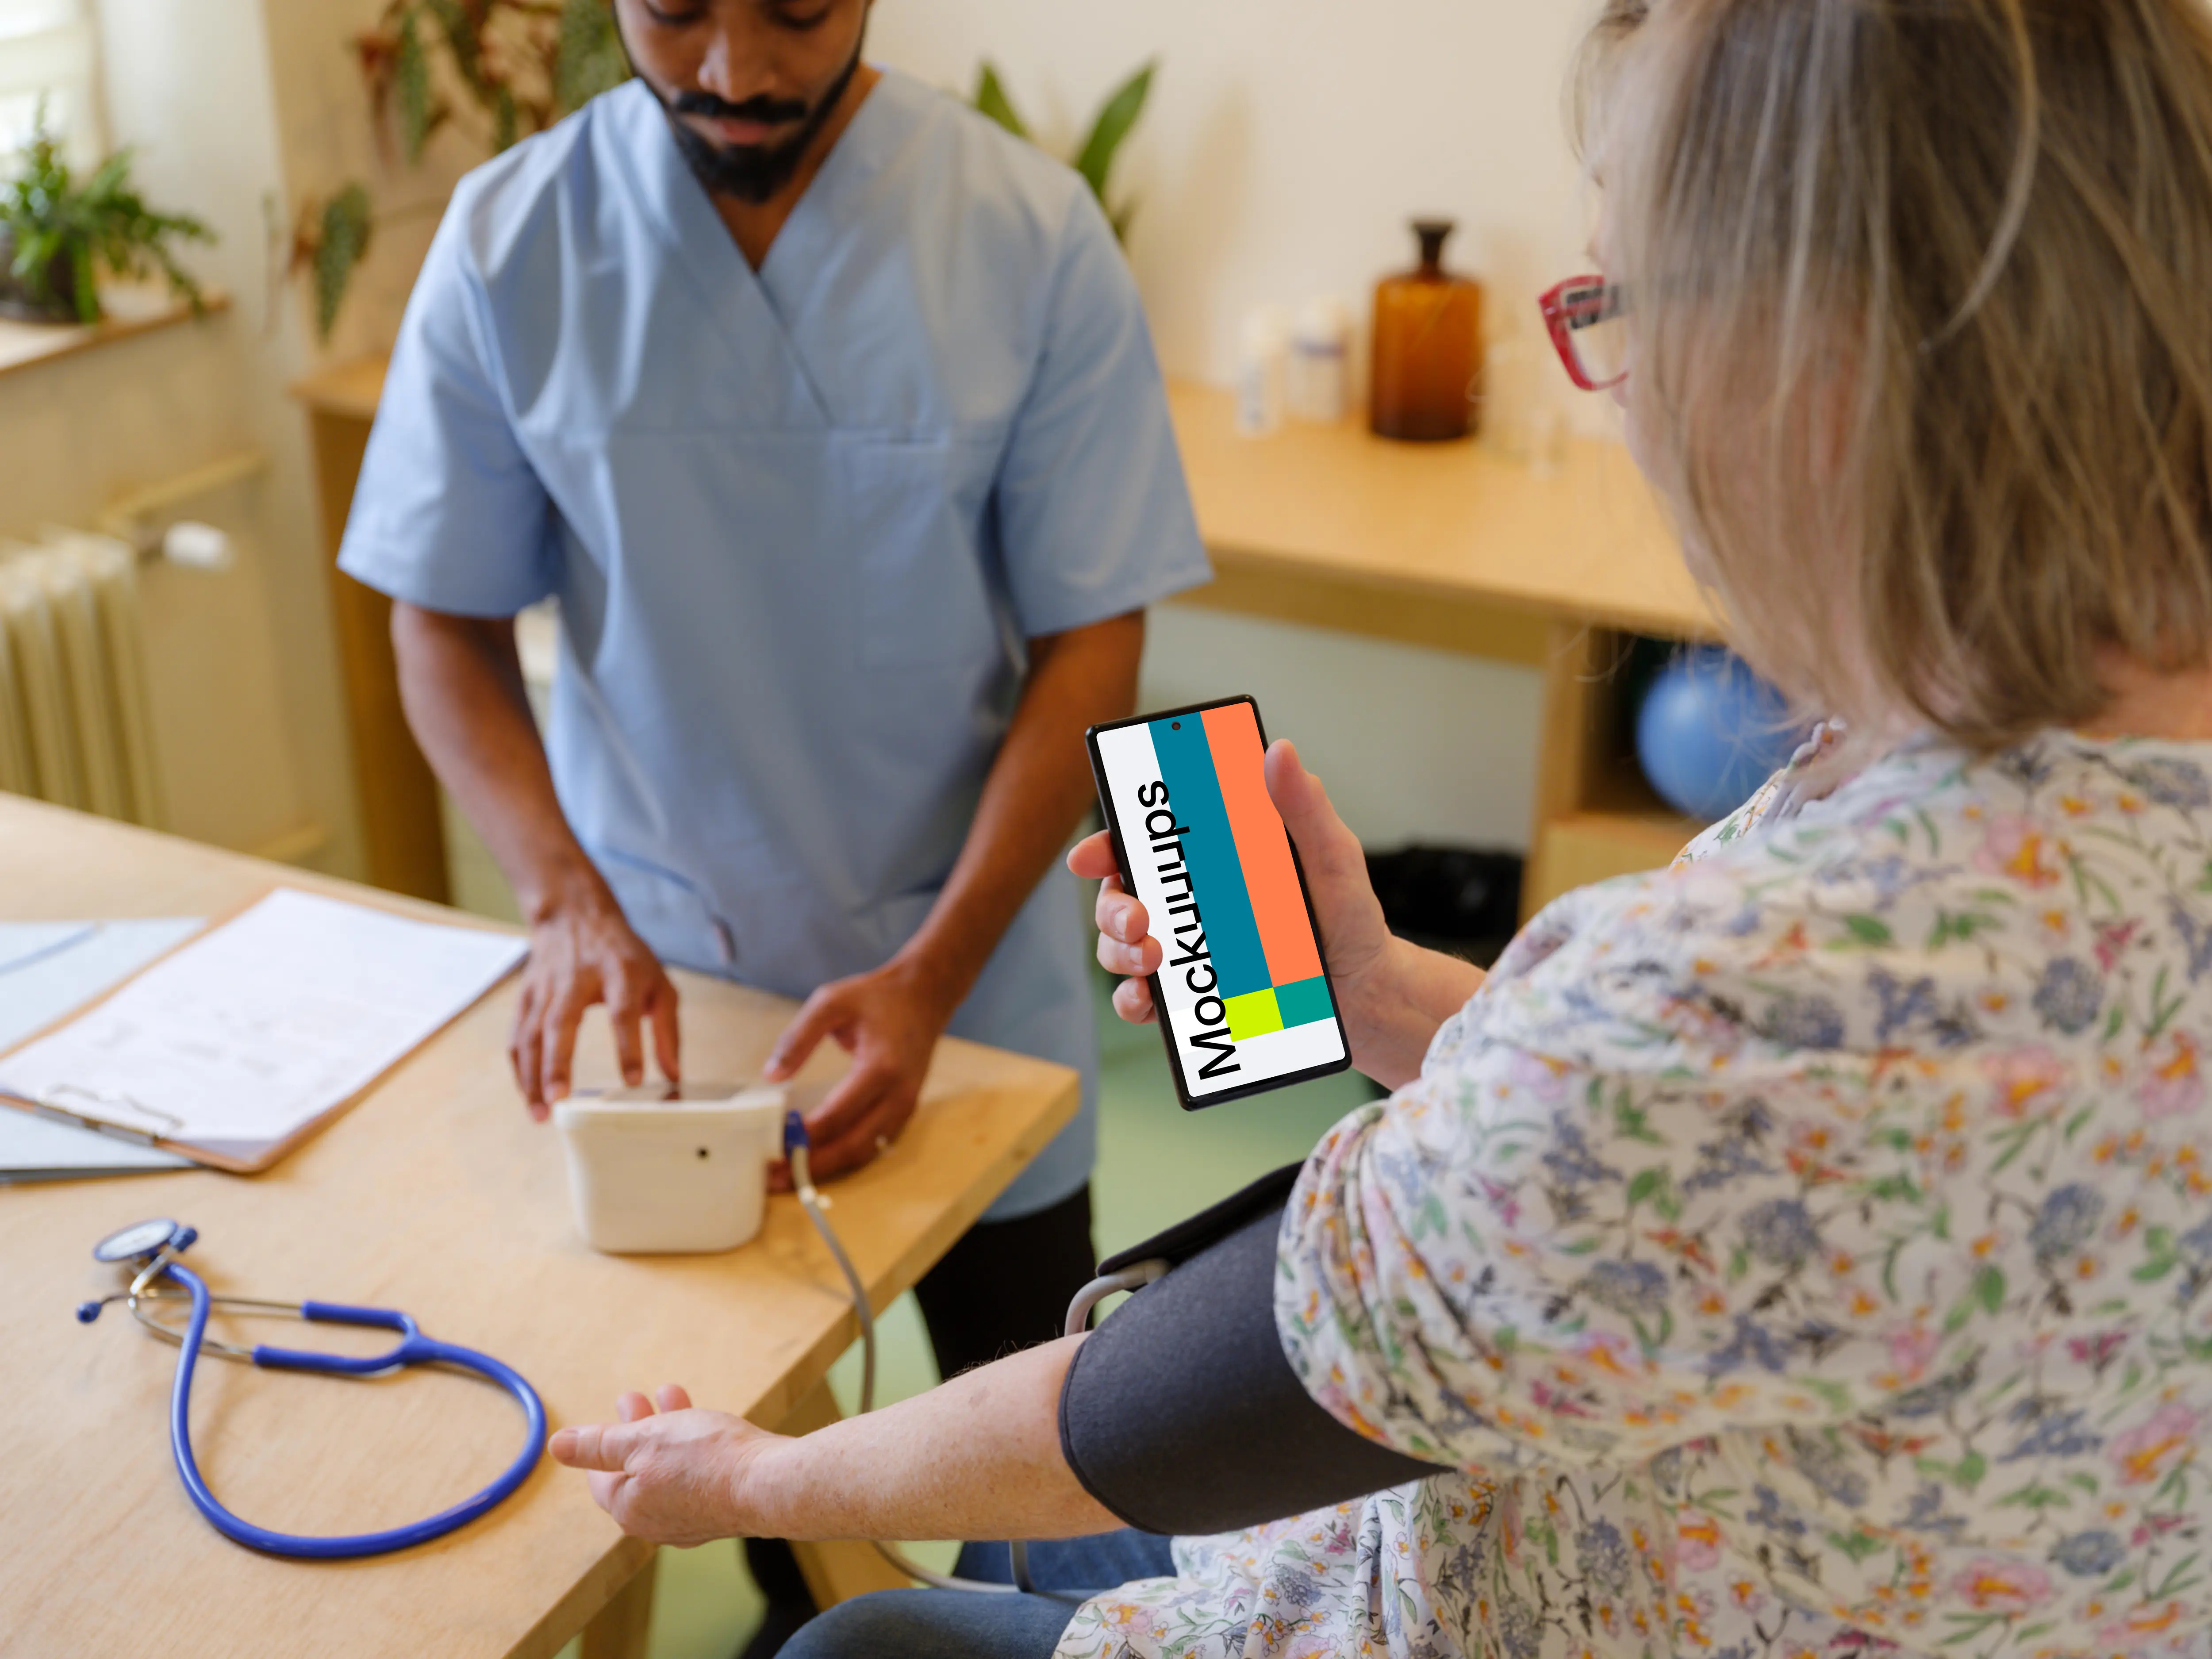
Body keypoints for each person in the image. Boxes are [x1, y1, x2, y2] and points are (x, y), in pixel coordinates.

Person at [547, 1, 2212, 1656]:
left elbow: (1138, 1417)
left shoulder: (1754, 996)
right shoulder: (2019, 775)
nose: (1623, 408)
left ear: (1811, 361)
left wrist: (752, 1473)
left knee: (858, 1642)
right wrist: (1388, 996)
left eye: (1614, 308)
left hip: (1515, 1575)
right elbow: (1772, 1170)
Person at [334, 0, 1207, 1645]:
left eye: (796, 10)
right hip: (675, 1000)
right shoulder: (515, 239)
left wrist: (934, 974)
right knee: (722, 1411)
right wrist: (564, 900)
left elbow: (1094, 636)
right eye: (676, 11)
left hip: (974, 992)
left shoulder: (1022, 231)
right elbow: (434, 615)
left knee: (1050, 1413)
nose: (736, 72)